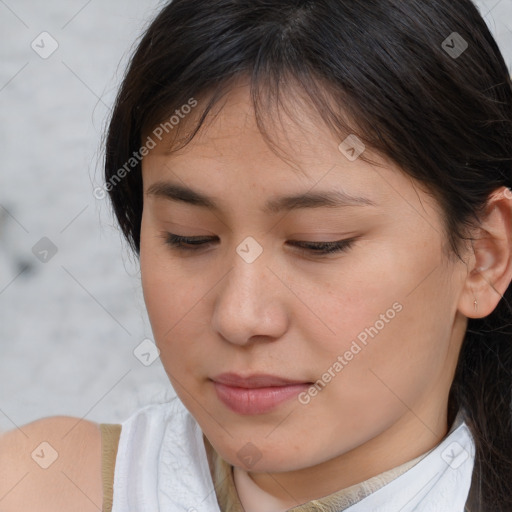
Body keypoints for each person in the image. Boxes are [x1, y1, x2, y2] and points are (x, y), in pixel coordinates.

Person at [2, 0, 512, 510]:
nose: (239, 317)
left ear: (484, 256)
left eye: (320, 243)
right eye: (189, 237)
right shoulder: (41, 487)